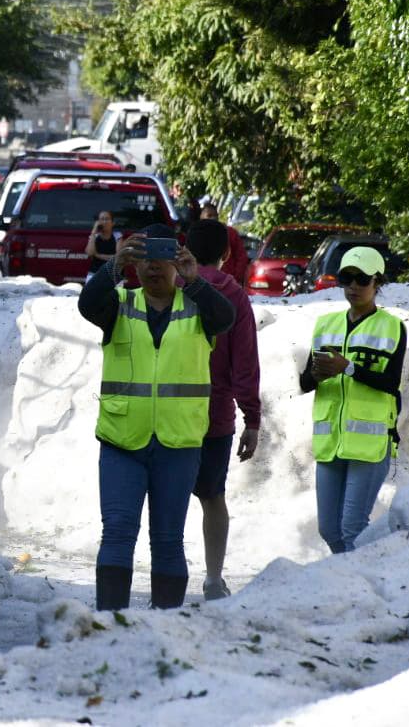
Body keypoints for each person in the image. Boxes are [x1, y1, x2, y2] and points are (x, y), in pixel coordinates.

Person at [78, 224, 235, 610]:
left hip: (177, 443)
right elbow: (87, 303)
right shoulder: (118, 303)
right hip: (122, 440)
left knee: (167, 539)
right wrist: (114, 263)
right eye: (144, 257)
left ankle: (164, 629)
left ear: (177, 260)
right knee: (117, 532)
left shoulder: (197, 306)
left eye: (162, 257)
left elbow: (225, 316)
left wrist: (195, 279)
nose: (152, 267)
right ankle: (110, 625)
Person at [299, 246, 405, 553]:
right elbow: (305, 382)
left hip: (369, 444)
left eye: (362, 279)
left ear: (377, 283)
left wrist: (348, 367)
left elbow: (391, 382)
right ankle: (351, 580)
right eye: (347, 278)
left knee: (352, 527)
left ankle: (360, 590)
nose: (354, 287)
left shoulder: (392, 327)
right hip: (331, 439)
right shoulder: (325, 324)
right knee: (328, 528)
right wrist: (319, 375)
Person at [185, 219, 261, 600]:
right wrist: (252, 418)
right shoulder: (234, 295)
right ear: (227, 253)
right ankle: (213, 580)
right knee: (212, 497)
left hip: (168, 412)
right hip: (215, 417)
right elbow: (244, 363)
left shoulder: (170, 287)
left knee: (169, 498)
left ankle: (168, 575)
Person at [199, 202, 250, 286]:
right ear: (201, 217)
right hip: (205, 284)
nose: (213, 218)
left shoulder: (230, 232)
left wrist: (236, 278)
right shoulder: (196, 236)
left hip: (228, 283)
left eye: (215, 215)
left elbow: (241, 256)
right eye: (209, 215)